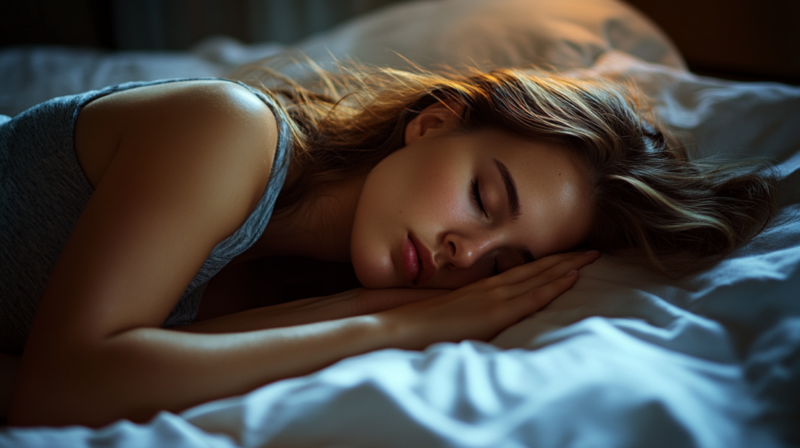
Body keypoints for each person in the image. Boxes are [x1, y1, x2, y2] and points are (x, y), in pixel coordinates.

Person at [0, 63, 777, 427]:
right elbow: (59, 388)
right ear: (434, 123)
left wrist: (352, 308)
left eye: (503, 262)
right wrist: (394, 323)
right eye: (484, 197)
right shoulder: (228, 129)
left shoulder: (286, 286)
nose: (464, 256)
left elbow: (108, 366)